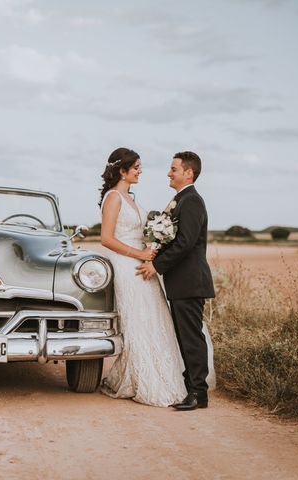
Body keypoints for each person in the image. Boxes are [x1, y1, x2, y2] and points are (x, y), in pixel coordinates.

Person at [99, 147, 188, 407]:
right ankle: (143, 379)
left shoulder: (132, 198)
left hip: (140, 262)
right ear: (121, 170)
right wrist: (138, 253)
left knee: (154, 317)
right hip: (126, 265)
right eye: (136, 167)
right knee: (138, 320)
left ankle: (164, 375)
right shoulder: (113, 197)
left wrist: (158, 233)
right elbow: (106, 239)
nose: (140, 171)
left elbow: (143, 231)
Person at [136, 151, 216, 411]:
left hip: (190, 282)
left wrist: (156, 265)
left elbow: (185, 242)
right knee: (184, 337)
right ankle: (191, 389)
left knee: (191, 338)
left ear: (188, 173)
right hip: (181, 283)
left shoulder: (191, 201)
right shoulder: (180, 200)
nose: (169, 173)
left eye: (173, 169)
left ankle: (198, 394)